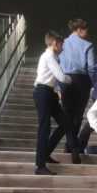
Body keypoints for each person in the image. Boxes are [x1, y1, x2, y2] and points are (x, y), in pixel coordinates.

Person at [32, 30, 76, 175]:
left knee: (65, 123)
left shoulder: (51, 57)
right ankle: (40, 166)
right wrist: (72, 80)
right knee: (44, 128)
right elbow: (61, 77)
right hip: (42, 92)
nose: (62, 48)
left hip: (49, 92)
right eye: (61, 45)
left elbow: (52, 77)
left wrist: (57, 89)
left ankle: (45, 153)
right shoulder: (49, 56)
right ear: (55, 43)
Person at [59, 18, 95, 159]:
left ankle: (71, 145)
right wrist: (92, 82)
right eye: (86, 30)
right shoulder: (88, 45)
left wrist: (57, 85)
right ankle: (73, 146)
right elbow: (91, 67)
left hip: (65, 79)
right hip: (82, 80)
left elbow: (57, 64)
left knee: (67, 114)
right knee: (78, 115)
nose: (87, 33)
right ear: (79, 30)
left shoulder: (62, 43)